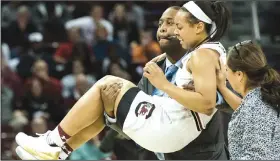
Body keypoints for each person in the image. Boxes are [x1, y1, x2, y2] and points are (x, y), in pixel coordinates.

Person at [14, 1, 230, 160]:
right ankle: (58, 152)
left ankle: (52, 141)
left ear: (199, 27)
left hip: (181, 141)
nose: (173, 31)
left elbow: (209, 102)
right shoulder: (207, 52)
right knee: (106, 102)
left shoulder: (202, 56)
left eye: (178, 26)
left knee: (108, 83)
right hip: (171, 136)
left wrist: (163, 84)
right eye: (164, 24)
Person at [216, 41, 280, 160]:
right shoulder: (259, 99)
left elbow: (256, 157)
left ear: (239, 74)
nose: (225, 75)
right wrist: (221, 88)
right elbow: (244, 109)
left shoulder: (256, 107)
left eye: (226, 70)